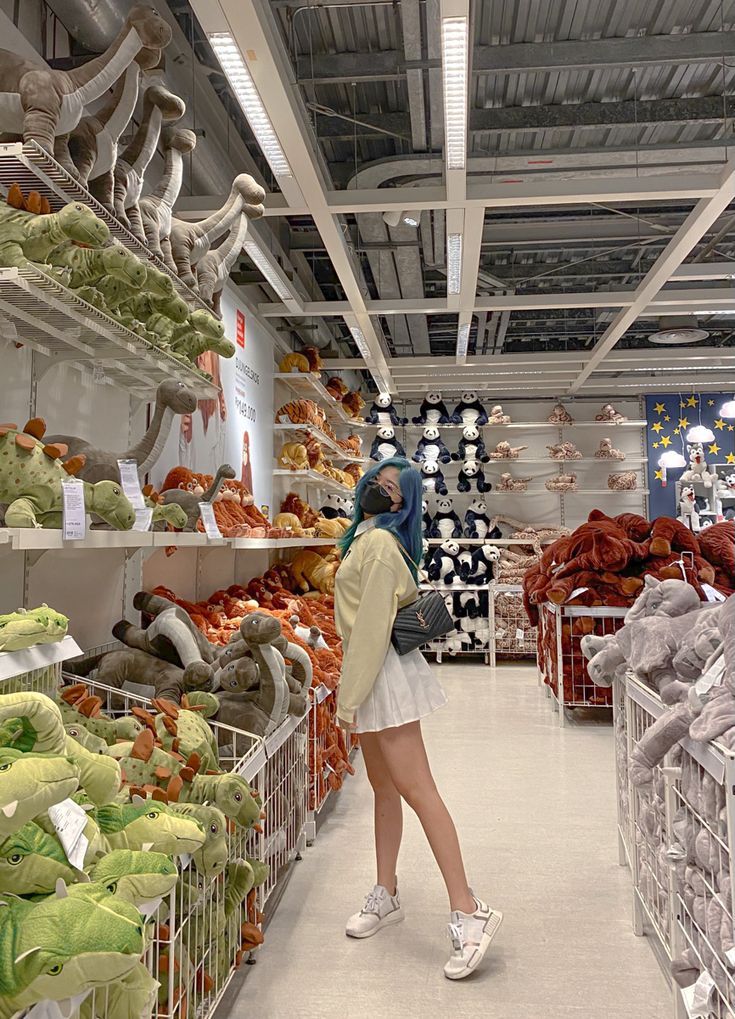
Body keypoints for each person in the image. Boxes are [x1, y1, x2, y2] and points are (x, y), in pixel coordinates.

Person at [334, 456, 502, 980]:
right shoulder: (365, 538)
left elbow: (369, 633)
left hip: (381, 675)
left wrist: (346, 700)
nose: (378, 491)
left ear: (403, 504)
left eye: (391, 489)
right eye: (375, 483)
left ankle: (470, 908)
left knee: (418, 789)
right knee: (386, 790)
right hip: (374, 674)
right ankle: (387, 891)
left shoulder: (381, 546)